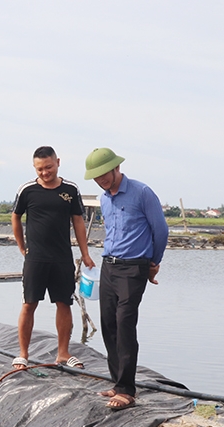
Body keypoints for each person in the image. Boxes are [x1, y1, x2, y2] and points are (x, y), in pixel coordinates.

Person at [84, 148, 169, 410]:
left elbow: (160, 230)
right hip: (109, 266)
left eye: (103, 174)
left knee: (125, 322)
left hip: (134, 268)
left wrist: (153, 263)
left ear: (116, 168)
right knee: (108, 322)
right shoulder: (104, 199)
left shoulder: (142, 193)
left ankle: (127, 390)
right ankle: (117, 383)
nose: (101, 180)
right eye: (96, 177)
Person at [12, 146, 95, 371]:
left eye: (48, 167)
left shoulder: (70, 189)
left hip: (62, 257)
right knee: (29, 304)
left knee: (64, 303)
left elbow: (78, 221)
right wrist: (22, 247)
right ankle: (23, 354)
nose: (45, 172)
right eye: (40, 169)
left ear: (57, 162)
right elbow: (16, 218)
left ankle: (63, 353)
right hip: (35, 258)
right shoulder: (27, 190)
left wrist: (84, 253)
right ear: (34, 168)